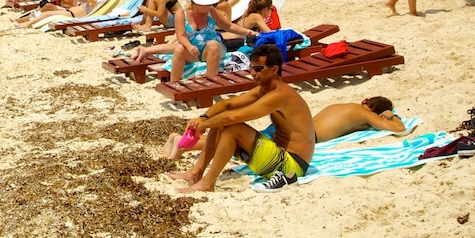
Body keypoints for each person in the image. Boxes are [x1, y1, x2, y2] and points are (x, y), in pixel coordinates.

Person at [168, 44, 315, 193]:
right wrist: (203, 117)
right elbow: (228, 104)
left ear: (274, 69)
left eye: (258, 69)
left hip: (291, 166)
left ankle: (207, 183)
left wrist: (203, 125)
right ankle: (195, 173)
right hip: (278, 157)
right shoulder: (264, 89)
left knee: (232, 127)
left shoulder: (280, 95)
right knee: (219, 123)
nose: (252, 73)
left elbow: (233, 116)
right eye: (251, 68)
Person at [163, 96, 404, 160]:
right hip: (305, 136)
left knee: (243, 141)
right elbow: (398, 129)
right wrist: (390, 115)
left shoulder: (345, 105)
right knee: (244, 144)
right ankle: (184, 147)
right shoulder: (365, 114)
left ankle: (182, 144)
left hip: (295, 126)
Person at [165, 0, 257, 82]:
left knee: (212, 44)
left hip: (213, 49)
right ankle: (173, 83)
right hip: (193, 51)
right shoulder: (182, 13)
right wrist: (189, 46)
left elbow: (228, 26)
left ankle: (211, 81)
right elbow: (180, 36)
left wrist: (248, 32)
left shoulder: (211, 12)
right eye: (208, 4)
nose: (211, 6)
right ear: (198, 4)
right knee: (180, 48)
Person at [12, 0, 100, 28]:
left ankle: (25, 24)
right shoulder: (86, 2)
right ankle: (24, 20)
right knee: (44, 10)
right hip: (68, 11)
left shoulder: (94, 3)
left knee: (47, 13)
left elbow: (93, 1)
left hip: (70, 14)